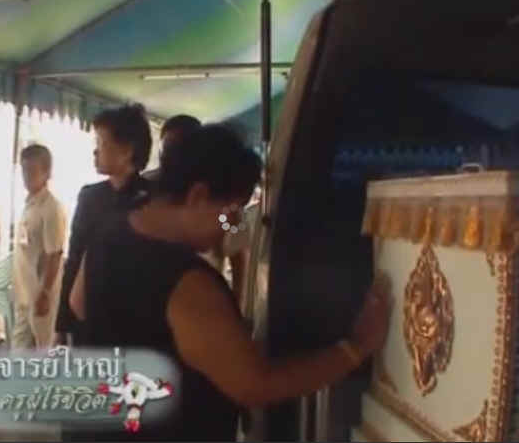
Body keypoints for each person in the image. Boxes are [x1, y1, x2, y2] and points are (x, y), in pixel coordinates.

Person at [69, 125, 391, 441]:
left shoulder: (108, 232)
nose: (231, 226)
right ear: (198, 196)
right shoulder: (188, 284)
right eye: (231, 213)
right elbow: (255, 385)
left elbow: (78, 304)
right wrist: (355, 349)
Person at [53, 104, 152, 347]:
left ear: (127, 150)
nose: (95, 151)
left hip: (134, 324)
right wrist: (61, 326)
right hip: (88, 317)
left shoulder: (153, 199)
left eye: (101, 143)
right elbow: (74, 259)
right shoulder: (90, 197)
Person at [145, 114, 250, 301]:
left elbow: (237, 254)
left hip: (201, 296)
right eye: (167, 147)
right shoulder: (144, 187)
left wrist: (237, 302)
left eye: (180, 148)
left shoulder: (222, 205)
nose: (172, 156)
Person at [12, 145, 67, 349]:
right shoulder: (28, 204)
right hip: (24, 292)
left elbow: (55, 255)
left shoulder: (51, 208)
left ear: (47, 172)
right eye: (24, 170)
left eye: (32, 171)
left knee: (44, 349)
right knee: (19, 350)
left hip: (41, 295)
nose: (26, 176)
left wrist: (45, 293)